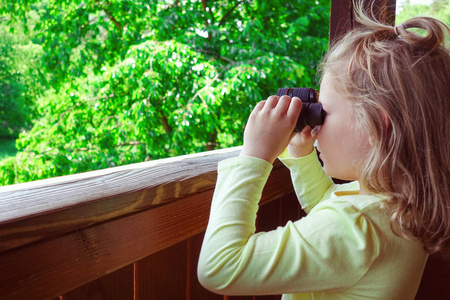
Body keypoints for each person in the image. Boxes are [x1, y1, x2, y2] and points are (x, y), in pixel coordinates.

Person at [197, 4, 450, 300]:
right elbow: (327, 203)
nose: (315, 127)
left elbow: (220, 267)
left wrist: (255, 155)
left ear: (378, 126)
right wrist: (302, 155)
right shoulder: (396, 200)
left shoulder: (356, 228)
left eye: (323, 113)